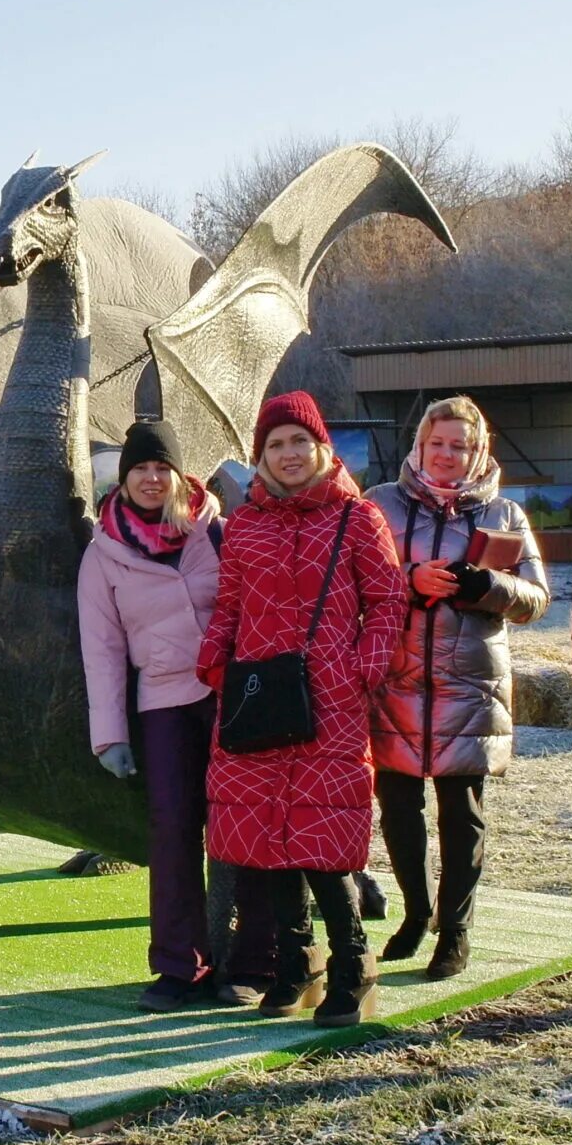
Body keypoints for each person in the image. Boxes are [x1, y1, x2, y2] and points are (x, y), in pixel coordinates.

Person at [197, 392, 404, 1027]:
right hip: (257, 699)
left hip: (330, 701)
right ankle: (297, 959)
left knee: (321, 839)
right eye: (275, 445)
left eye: (298, 442)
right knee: (265, 839)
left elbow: (388, 602)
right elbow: (228, 607)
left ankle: (353, 964)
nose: (288, 455)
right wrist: (216, 664)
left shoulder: (358, 518)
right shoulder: (246, 527)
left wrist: (358, 671)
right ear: (260, 456)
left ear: (322, 448)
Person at [366, 396, 550, 979]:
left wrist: (486, 585)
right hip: (394, 679)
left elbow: (536, 599)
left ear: (479, 452)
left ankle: (456, 930)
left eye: (461, 446)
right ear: (419, 446)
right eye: (438, 443)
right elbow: (349, 583)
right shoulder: (378, 506)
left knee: (461, 814)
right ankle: (416, 914)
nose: (448, 455)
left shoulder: (506, 515)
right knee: (397, 809)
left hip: (469, 684)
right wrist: (408, 581)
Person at [79, 419, 259, 1012]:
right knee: (173, 833)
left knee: (243, 831)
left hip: (231, 698)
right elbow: (101, 649)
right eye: (140, 469)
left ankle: (251, 961)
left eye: (162, 467)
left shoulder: (219, 533)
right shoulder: (103, 554)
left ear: (181, 474)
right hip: (162, 705)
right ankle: (180, 965)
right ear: (125, 479)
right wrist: (109, 736)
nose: (152, 478)